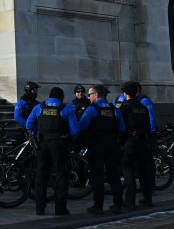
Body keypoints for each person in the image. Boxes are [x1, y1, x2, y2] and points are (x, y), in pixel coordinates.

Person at [25, 86, 79, 216]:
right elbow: (75, 130)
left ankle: (40, 207)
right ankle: (60, 208)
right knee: (61, 174)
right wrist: (69, 140)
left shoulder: (39, 107)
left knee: (41, 175)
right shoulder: (65, 109)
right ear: (61, 97)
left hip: (43, 144)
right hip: (59, 144)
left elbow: (29, 124)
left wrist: (36, 134)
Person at [78, 85, 124, 215]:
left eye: (90, 94)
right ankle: (118, 204)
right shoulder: (115, 109)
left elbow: (82, 126)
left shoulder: (92, 109)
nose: (88, 97)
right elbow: (122, 128)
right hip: (112, 146)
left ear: (96, 95)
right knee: (114, 176)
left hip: (96, 146)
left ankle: (98, 206)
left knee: (97, 176)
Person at [119, 81, 153, 207]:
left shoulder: (125, 107)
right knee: (144, 172)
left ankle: (129, 200)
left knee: (128, 171)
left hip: (130, 142)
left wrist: (121, 141)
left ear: (125, 93)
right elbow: (148, 125)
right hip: (142, 141)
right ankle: (147, 198)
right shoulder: (142, 107)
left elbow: (121, 127)